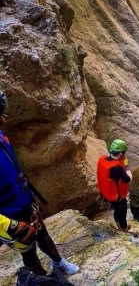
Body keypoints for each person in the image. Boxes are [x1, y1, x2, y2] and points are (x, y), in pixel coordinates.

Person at [0, 90, 79, 275]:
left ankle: (58, 263)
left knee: (41, 233)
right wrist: (7, 225)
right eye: (1, 114)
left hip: (23, 200)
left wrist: (29, 196)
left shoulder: (2, 136)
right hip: (8, 213)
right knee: (27, 248)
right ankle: (42, 279)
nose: (4, 120)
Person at [97, 139, 132, 232]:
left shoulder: (102, 159)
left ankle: (118, 227)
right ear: (120, 153)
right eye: (124, 153)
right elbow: (128, 179)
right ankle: (124, 230)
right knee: (122, 214)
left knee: (116, 211)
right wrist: (127, 166)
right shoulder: (117, 168)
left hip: (107, 193)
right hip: (118, 196)